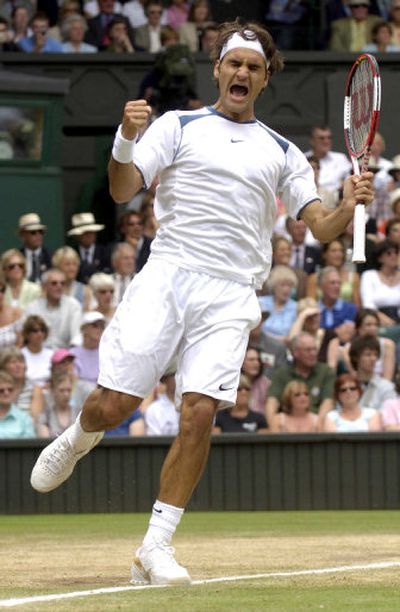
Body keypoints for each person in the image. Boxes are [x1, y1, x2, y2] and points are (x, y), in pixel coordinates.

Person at [30, 20, 374, 586]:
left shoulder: (286, 153)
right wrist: (123, 136)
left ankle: (155, 548)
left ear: (265, 79)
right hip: (166, 278)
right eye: (234, 63)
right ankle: (77, 438)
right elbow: (122, 190)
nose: (242, 73)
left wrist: (347, 202)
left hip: (232, 294)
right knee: (113, 405)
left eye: (254, 67)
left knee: (199, 413)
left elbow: (322, 226)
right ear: (217, 69)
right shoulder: (177, 125)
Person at [266, 332, 335, 428]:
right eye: (308, 350)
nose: (313, 353)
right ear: (295, 352)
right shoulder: (283, 372)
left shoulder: (326, 372)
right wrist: (273, 427)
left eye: (315, 349)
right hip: (287, 423)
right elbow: (272, 400)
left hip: (316, 422)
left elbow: (328, 402)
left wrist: (318, 427)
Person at [24, 269, 83, 349]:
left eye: (62, 283)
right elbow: (24, 334)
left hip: (65, 355)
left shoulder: (73, 306)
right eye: (54, 283)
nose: (59, 286)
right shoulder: (33, 307)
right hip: (39, 353)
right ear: (44, 286)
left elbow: (76, 337)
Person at [332, 308, 396, 381]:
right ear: (358, 328)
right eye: (368, 325)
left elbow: (388, 378)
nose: (373, 328)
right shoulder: (348, 349)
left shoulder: (387, 345)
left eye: (375, 325)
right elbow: (354, 375)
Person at [306, 239, 361, 307]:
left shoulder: (353, 276)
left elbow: (357, 307)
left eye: (341, 251)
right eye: (333, 251)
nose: (338, 254)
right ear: (324, 254)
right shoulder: (314, 278)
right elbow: (310, 305)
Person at [360, 239, 400, 330]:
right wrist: (381, 318)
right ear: (380, 258)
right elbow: (368, 304)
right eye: (389, 253)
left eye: (396, 253)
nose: (393, 256)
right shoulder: (369, 276)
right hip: (376, 321)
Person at [349, 334, 396, 411]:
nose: (373, 358)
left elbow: (389, 416)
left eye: (375, 355)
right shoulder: (346, 386)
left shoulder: (386, 387)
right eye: (368, 355)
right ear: (356, 357)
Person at [288, 297, 336, 365]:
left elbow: (332, 366)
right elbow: (291, 341)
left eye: (316, 315)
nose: (314, 319)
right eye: (309, 317)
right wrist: (303, 315)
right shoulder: (299, 336)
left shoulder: (330, 335)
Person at [304, 125, 351, 193]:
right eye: (321, 138)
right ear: (312, 140)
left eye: (329, 138)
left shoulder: (341, 158)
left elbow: (349, 182)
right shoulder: (302, 159)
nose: (326, 141)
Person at [258, 265, 298, 343]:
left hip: (284, 349)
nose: (287, 289)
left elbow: (293, 337)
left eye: (290, 285)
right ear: (273, 286)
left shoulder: (296, 307)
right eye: (282, 285)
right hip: (260, 345)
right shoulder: (261, 303)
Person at [67, 212, 110, 284]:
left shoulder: (104, 252)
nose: (89, 235)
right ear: (77, 236)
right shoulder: (72, 253)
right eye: (85, 233)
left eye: (92, 232)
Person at [0, 347, 43, 417]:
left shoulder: (35, 389)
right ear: (3, 367)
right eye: (13, 362)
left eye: (21, 362)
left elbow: (35, 417)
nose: (18, 365)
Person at [36, 372, 79, 437]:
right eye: (61, 390)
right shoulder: (45, 416)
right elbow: (44, 442)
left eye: (69, 390)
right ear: (53, 391)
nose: (66, 394)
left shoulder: (79, 414)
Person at [52, 246, 93, 311]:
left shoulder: (86, 291)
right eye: (67, 264)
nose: (72, 268)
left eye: (75, 264)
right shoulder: (49, 289)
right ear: (58, 266)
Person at [70, 311, 105, 384]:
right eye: (95, 326)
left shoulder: (107, 353)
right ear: (84, 329)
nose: (99, 329)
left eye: (102, 326)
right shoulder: (72, 354)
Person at [144, 368, 180, 435]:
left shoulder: (194, 405)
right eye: (174, 374)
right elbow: (155, 442)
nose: (179, 378)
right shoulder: (154, 409)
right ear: (164, 379)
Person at [18, 213, 51, 284]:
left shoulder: (50, 256)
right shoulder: (17, 257)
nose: (38, 235)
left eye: (40, 232)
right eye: (33, 232)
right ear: (23, 235)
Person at [0, 371, 35, 439]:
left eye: (10, 390)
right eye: (1, 390)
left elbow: (29, 445)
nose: (6, 393)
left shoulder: (24, 418)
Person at [21, 315, 53, 387]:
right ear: (27, 333)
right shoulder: (20, 355)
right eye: (35, 331)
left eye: (42, 330)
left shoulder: (51, 354)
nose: (40, 334)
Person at [240, 346, 271, 415]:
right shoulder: (233, 383)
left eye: (258, 360)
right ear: (241, 362)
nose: (256, 363)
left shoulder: (266, 383)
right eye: (251, 360)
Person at [0, 273, 23, 350]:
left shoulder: (16, 313)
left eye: (2, 291)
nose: (0, 295)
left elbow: (21, 343)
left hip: (12, 359)